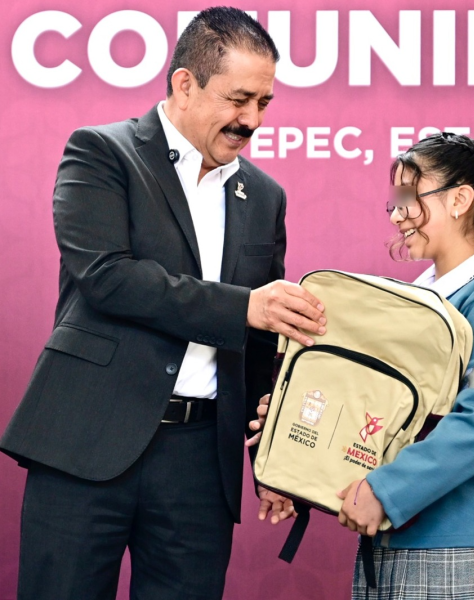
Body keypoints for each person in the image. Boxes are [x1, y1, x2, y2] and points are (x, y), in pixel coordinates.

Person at [0, 8, 326, 599]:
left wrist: (275, 460)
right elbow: (107, 277)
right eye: (238, 99)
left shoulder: (265, 196)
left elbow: (260, 344)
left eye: (264, 103)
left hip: (199, 465)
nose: (252, 120)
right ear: (185, 83)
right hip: (85, 441)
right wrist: (244, 307)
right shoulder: (101, 152)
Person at [250, 132, 474, 598]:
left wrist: (387, 492)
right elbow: (384, 417)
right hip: (393, 543)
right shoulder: (426, 303)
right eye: (395, 201)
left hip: (459, 550)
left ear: (460, 200)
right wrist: (292, 436)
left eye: (410, 197)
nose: (397, 215)